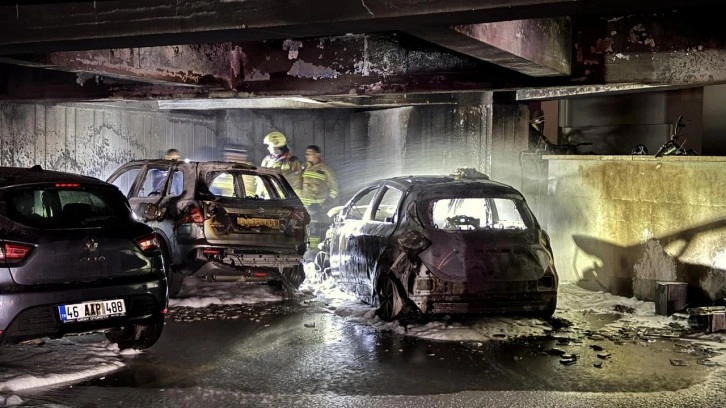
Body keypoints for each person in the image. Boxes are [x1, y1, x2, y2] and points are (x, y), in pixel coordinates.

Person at [300, 145, 339, 250]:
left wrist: (328, 201)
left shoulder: (325, 170)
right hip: (304, 205)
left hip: (316, 206)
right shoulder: (305, 168)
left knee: (314, 227)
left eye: (310, 153)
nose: (307, 156)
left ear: (317, 155)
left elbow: (334, 188)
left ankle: (313, 250)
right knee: (304, 228)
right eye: (306, 153)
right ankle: (307, 249)